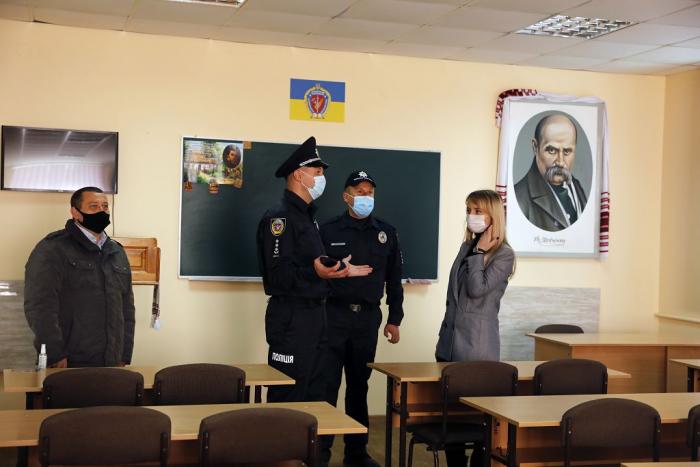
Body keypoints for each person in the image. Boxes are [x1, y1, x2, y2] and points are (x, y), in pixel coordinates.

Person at [256, 136, 372, 403]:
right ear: (299, 175)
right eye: (317, 172)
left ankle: (311, 434)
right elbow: (277, 277)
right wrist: (315, 272)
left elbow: (310, 263)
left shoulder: (307, 217)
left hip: (317, 316)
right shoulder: (280, 217)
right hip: (292, 318)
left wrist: (338, 268)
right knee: (289, 394)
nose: (322, 178)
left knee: (316, 395)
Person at [319, 170, 404, 467]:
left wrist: (395, 319)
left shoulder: (386, 233)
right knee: (327, 386)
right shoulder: (327, 230)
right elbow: (314, 274)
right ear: (347, 196)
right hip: (333, 317)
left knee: (359, 387)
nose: (366, 197)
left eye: (370, 192)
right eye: (360, 192)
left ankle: (356, 453)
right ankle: (321, 453)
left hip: (367, 319)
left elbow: (395, 279)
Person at [435, 189, 515, 467]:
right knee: (451, 418)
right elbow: (454, 294)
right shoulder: (466, 246)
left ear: (494, 215)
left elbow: (476, 289)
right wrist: (476, 250)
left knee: (481, 421)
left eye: (478, 211)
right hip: (448, 344)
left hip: (477, 348)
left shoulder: (504, 255)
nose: (472, 216)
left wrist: (480, 252)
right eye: (469, 210)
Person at [24, 187, 135, 368]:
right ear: (75, 212)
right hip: (69, 361)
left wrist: (124, 354)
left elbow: (127, 309)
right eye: (93, 206)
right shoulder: (53, 248)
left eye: (105, 206)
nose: (101, 211)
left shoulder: (117, 251)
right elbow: (39, 306)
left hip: (112, 361)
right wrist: (54, 355)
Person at [514, 113, 588, 232]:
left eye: (567, 151)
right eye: (552, 150)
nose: (560, 162)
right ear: (535, 147)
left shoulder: (577, 186)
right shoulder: (519, 199)